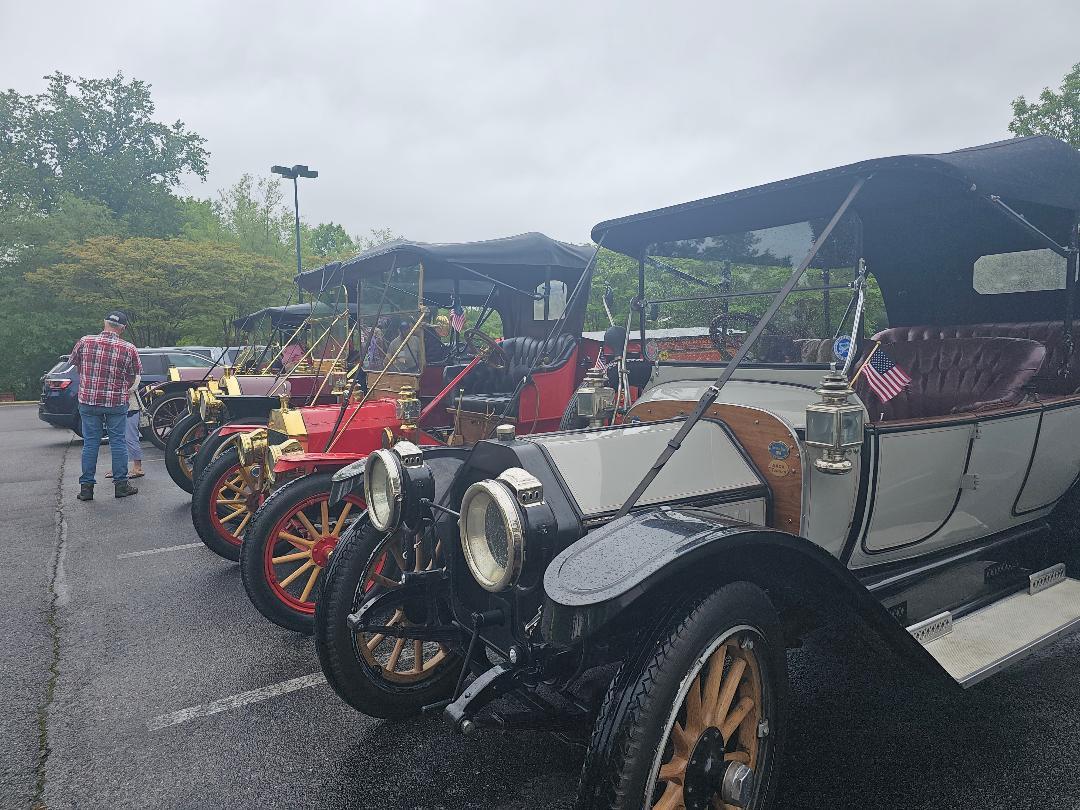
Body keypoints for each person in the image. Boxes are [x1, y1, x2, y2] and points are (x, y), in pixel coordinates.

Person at [68, 310, 141, 500]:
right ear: (123, 328)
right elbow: (133, 376)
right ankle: (121, 485)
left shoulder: (85, 341)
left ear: (104, 323)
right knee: (118, 442)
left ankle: (86, 489)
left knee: (90, 443)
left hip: (89, 401)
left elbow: (76, 365)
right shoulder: (129, 348)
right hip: (116, 402)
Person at [106, 374, 145, 480]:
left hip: (130, 408)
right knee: (116, 440)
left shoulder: (133, 374)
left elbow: (132, 385)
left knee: (131, 438)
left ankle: (137, 467)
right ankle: (117, 467)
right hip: (117, 408)